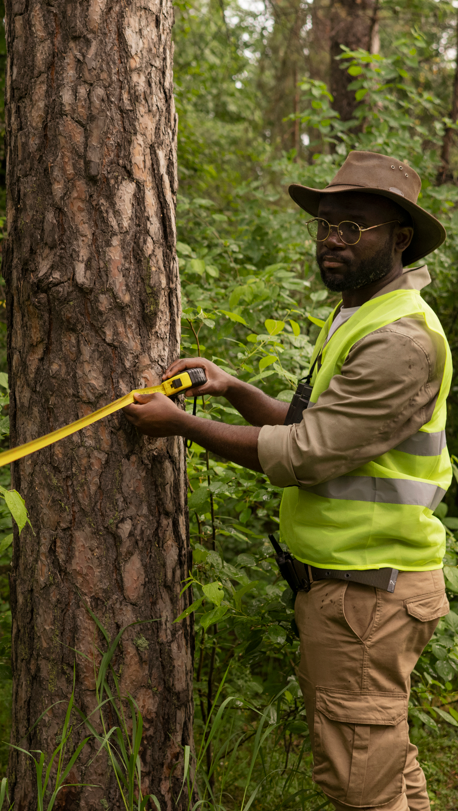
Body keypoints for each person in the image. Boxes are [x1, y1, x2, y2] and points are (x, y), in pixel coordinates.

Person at [126, 151, 452, 811]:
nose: (332, 238)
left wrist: (180, 427)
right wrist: (232, 388)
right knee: (383, 765)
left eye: (353, 226)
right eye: (326, 224)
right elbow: (313, 426)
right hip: (354, 589)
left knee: (361, 784)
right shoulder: (355, 315)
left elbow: (306, 454)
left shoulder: (399, 338)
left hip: (368, 594)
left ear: (400, 238)